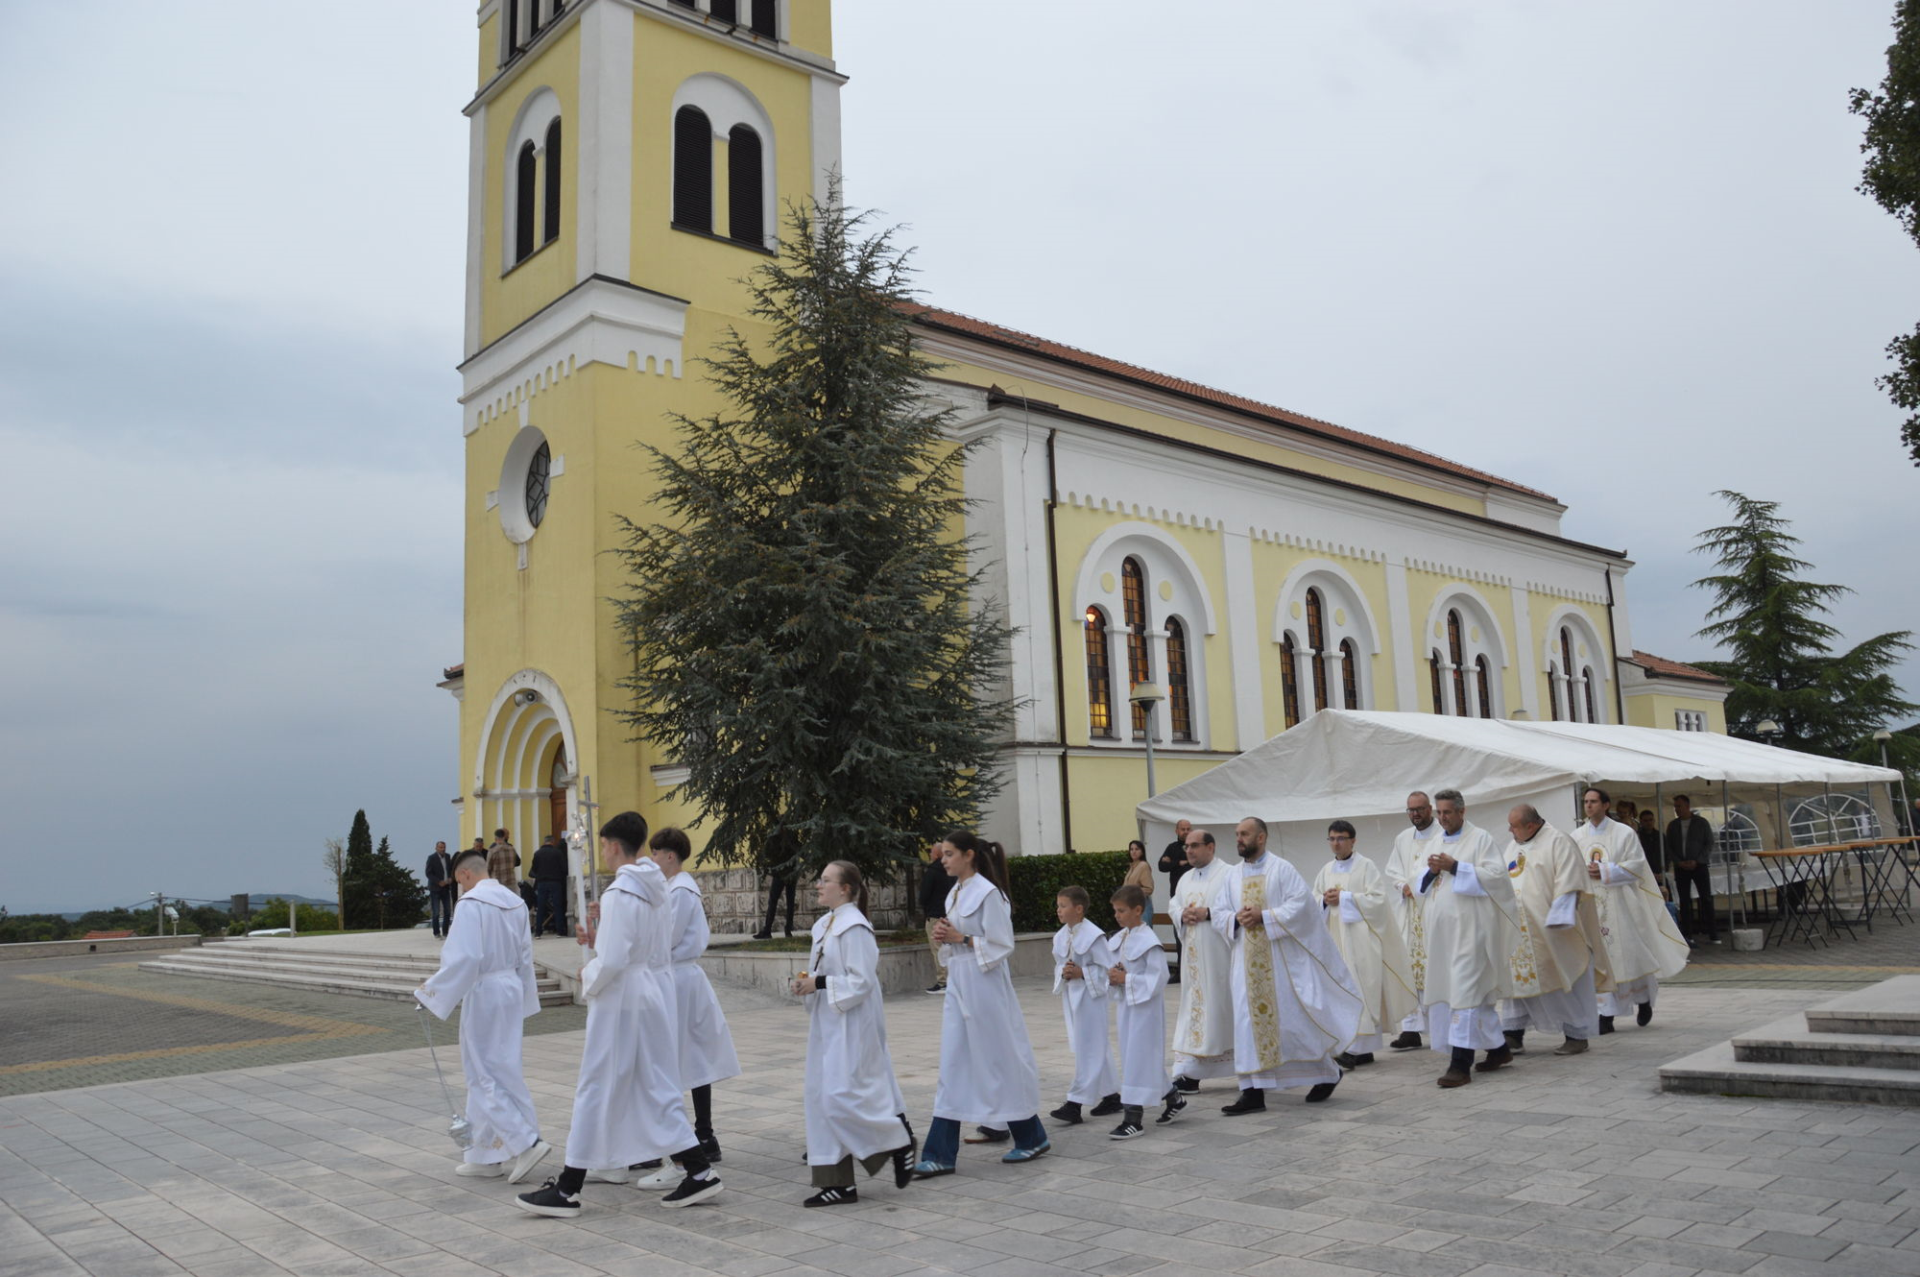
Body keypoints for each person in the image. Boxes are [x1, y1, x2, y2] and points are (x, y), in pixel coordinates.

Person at [514, 812, 721, 1217]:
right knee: (655, 1087)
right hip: (651, 995)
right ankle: (699, 1171)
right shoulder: (656, 887)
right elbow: (640, 945)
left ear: (611, 845)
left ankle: (568, 1189)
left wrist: (588, 971)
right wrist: (599, 938)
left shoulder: (621, 893)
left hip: (623, 999)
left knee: (595, 1085)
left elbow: (613, 960)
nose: (603, 852)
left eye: (604, 845)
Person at [911, 831, 1049, 1176]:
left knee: (998, 1059)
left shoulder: (989, 894)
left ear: (969, 855)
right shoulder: (956, 892)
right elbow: (957, 940)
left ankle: (1031, 1135)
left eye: (949, 854)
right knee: (954, 1062)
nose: (943, 860)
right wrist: (946, 937)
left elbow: (1002, 944)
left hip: (985, 987)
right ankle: (941, 1152)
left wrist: (961, 938)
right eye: (943, 854)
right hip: (961, 983)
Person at [1208, 817, 1362, 1112]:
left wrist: (1264, 916)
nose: (1238, 839)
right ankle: (1252, 1092)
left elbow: (1302, 907)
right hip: (1245, 964)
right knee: (1247, 1024)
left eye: (1244, 834)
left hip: (1280, 963)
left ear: (1261, 837)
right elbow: (1219, 911)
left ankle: (1327, 1072)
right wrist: (1235, 918)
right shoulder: (1232, 875)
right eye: (1237, 834)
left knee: (1292, 1025)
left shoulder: (1282, 869)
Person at [414, 846, 550, 1183]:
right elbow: (525, 954)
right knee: (504, 1070)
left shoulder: (471, 904)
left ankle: (525, 1143)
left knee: (482, 1073)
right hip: (510, 987)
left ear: (464, 874)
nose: (460, 887)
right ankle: (485, 1154)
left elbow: (465, 957)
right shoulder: (516, 902)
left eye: (460, 881)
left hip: (485, 990)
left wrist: (430, 991)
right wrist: (525, 997)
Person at [791, 860, 917, 1207]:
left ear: (845, 889)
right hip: (827, 1022)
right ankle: (838, 1183)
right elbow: (822, 971)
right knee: (820, 1098)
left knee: (840, 1097)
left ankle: (896, 1141)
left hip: (851, 1023)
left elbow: (861, 981)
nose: (818, 885)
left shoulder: (855, 927)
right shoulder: (825, 924)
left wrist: (819, 983)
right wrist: (806, 983)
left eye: (826, 880)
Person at [632, 826, 739, 1187]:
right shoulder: (674, 888)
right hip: (678, 977)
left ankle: (690, 1138)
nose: (652, 859)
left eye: (656, 853)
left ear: (670, 856)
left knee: (674, 1058)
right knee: (687, 1057)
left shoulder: (679, 891)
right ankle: (700, 1135)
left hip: (676, 978)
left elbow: (665, 938)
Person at [1418, 789, 1521, 1089]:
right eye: (1439, 812)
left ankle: (1460, 1064)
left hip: (1472, 931)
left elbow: (1497, 878)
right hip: (1443, 935)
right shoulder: (1435, 841)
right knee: (1473, 995)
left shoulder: (1480, 839)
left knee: (1464, 993)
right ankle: (1499, 1050)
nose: (1442, 818)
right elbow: (1420, 879)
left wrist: (1455, 867)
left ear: (1462, 812)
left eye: (1447, 812)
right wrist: (1431, 872)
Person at [1498, 804, 1609, 1058]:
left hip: (1550, 927)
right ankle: (1513, 1033)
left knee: (1559, 979)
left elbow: (1570, 882)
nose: (1510, 830)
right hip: (1518, 927)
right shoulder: (1514, 845)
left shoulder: (1559, 841)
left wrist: (1560, 915)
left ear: (1531, 825)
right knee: (1516, 981)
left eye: (1514, 826)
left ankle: (1576, 1035)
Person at [1312, 820, 1417, 1070]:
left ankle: (1360, 1049)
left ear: (1353, 840)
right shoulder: (1326, 870)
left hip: (1360, 941)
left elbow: (1378, 901)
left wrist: (1345, 897)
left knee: (1361, 990)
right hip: (1335, 940)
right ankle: (1353, 1048)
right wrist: (1323, 901)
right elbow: (1313, 898)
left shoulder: (1366, 866)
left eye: (1341, 838)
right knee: (1341, 992)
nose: (1336, 843)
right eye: (1332, 839)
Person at [1584, 788, 1690, 1032]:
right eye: (1586, 802)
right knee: (1599, 958)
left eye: (1593, 801)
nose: (1588, 806)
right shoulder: (1577, 835)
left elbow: (1637, 865)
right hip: (1592, 905)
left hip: (1621, 903)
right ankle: (1605, 1014)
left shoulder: (1624, 833)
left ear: (1605, 805)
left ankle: (1643, 999)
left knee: (1630, 954)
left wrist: (1605, 870)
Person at [1167, 828, 1234, 1100]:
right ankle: (1191, 1072)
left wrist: (1209, 913)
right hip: (1193, 961)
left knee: (1220, 1012)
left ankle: (1240, 1067)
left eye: (1195, 845)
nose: (1189, 851)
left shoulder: (1229, 875)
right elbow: (1173, 905)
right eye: (1187, 846)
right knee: (1194, 1012)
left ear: (1211, 847)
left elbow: (1238, 909)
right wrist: (1181, 914)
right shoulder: (1185, 878)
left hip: (1220, 960)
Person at [1048, 886, 1120, 1127]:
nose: (1058, 910)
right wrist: (1065, 972)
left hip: (1092, 998)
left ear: (1078, 909)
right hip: (1072, 997)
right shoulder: (1060, 936)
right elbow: (1059, 963)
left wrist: (1082, 973)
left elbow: (1109, 969)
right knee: (1092, 1045)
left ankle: (1075, 1103)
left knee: (1090, 1047)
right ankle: (1111, 1096)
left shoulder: (1094, 936)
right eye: (1058, 906)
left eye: (1063, 906)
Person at [1105, 884, 1170, 1140]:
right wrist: (1113, 976)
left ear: (1138, 910)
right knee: (1136, 1057)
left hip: (1146, 1012)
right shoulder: (1121, 938)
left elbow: (1158, 977)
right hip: (1127, 1009)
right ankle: (1174, 1099)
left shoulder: (1149, 941)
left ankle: (1133, 1119)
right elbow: (1113, 967)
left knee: (1138, 1060)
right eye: (1115, 911)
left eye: (1121, 911)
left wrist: (1127, 979)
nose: (1117, 916)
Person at [1384, 791, 1439, 1050]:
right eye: (1410, 810)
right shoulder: (1403, 838)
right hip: (1409, 913)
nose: (1415, 814)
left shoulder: (1443, 835)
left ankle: (1440, 1025)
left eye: (1419, 809)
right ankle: (1411, 1029)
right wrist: (1402, 885)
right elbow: (1394, 870)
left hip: (1433, 910)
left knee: (1434, 966)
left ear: (1430, 809)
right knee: (1408, 967)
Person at [1665, 795, 1718, 944]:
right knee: (1684, 900)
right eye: (1675, 806)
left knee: (1706, 898)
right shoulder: (1673, 825)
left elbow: (1709, 843)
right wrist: (1678, 862)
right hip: (1681, 867)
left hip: (1699, 866)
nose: (1677, 809)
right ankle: (1688, 934)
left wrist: (1698, 860)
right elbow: (1669, 846)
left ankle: (1713, 933)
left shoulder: (1701, 823)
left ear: (1687, 806)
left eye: (1679, 806)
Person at [918, 842, 954, 995]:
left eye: (931, 852)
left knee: (938, 949)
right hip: (950, 915)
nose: (930, 855)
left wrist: (925, 907)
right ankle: (952, 979)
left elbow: (924, 895)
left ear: (937, 854)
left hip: (934, 915)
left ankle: (943, 982)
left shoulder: (932, 872)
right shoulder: (952, 870)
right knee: (950, 948)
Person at [530, 833, 569, 938]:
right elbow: (564, 868)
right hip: (555, 882)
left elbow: (534, 869)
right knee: (557, 906)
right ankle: (560, 931)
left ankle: (538, 932)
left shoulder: (537, 853)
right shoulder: (557, 853)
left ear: (544, 842)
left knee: (541, 907)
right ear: (552, 842)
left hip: (542, 883)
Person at [754, 861, 798, 940]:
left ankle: (768, 930)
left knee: (773, 901)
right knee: (789, 901)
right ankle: (787, 930)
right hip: (791, 871)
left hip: (781, 871)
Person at [425, 841, 455, 940]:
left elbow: (450, 870)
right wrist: (438, 882)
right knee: (436, 912)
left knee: (447, 911)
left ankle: (445, 932)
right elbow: (428, 873)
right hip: (435, 889)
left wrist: (451, 878)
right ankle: (436, 933)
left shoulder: (447, 856)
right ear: (436, 848)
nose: (443, 849)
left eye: (444, 847)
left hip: (446, 888)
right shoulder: (431, 858)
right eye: (441, 847)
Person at [1158, 819, 1194, 895]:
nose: (1186, 832)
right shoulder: (1172, 847)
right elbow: (1161, 867)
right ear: (1177, 831)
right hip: (1176, 892)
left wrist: (1172, 863)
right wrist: (1178, 863)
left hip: (1194, 891)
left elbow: (1200, 864)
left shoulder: (1197, 847)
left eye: (1188, 829)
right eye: (1183, 829)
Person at [1124, 841, 1154, 921]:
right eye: (1131, 849)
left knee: (1142, 928)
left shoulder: (1143, 866)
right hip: (1131, 905)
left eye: (1137, 849)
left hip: (1142, 905)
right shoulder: (1132, 867)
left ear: (1142, 851)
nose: (1133, 851)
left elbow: (1149, 889)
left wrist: (1132, 892)